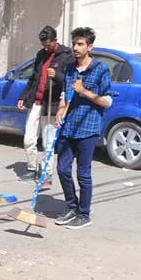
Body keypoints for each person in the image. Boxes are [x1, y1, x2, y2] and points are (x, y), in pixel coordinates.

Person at [54, 27, 112, 230]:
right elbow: (64, 95)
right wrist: (60, 110)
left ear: (90, 46)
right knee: (62, 169)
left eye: (80, 44)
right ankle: (71, 206)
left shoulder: (100, 69)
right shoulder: (70, 68)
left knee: (83, 174)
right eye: (74, 43)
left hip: (88, 127)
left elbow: (106, 101)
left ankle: (84, 213)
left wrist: (84, 91)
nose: (76, 48)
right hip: (68, 127)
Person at [17, 25, 74, 187]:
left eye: (48, 45)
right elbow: (34, 78)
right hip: (36, 101)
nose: (46, 48)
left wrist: (57, 75)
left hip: (53, 103)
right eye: (43, 45)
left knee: (48, 141)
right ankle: (32, 168)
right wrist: (23, 95)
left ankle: (47, 173)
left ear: (55, 41)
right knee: (29, 137)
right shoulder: (41, 55)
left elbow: (70, 79)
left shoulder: (66, 56)